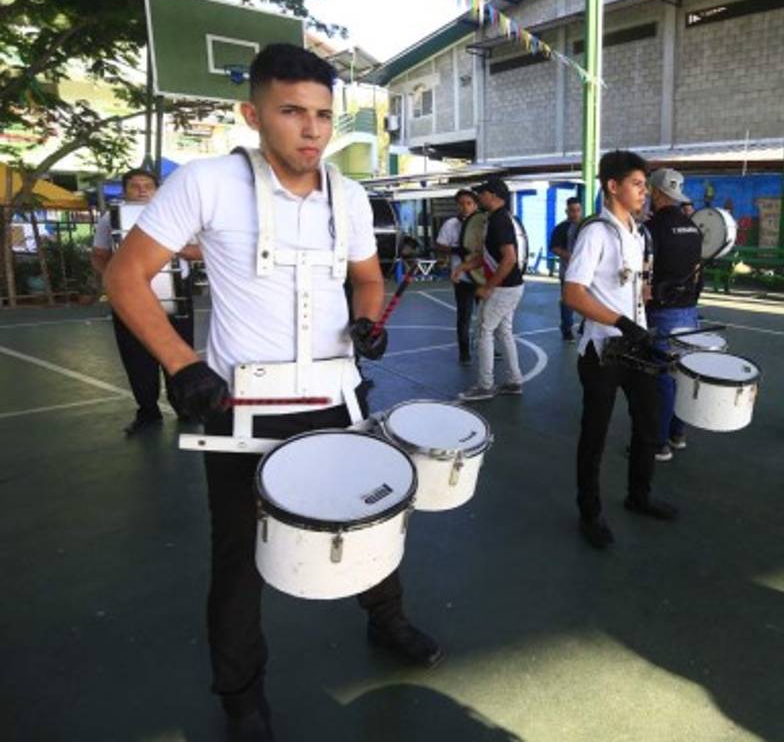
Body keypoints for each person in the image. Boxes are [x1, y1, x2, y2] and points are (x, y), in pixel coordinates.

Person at [103, 44, 441, 741]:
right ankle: (242, 694)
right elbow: (124, 277)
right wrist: (181, 364)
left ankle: (388, 621)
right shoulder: (205, 183)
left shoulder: (347, 196)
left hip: (335, 398)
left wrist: (369, 321)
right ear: (253, 114)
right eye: (292, 112)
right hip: (240, 411)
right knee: (240, 557)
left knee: (370, 520)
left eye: (322, 114)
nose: (312, 129)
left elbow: (368, 280)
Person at [563, 150, 677, 550]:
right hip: (603, 350)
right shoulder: (596, 231)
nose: (645, 192)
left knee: (648, 424)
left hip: (638, 342)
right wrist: (620, 320)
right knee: (595, 433)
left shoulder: (638, 232)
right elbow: (573, 293)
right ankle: (589, 512)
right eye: (637, 184)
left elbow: (629, 286)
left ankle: (639, 496)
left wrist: (650, 296)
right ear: (612, 186)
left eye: (645, 186)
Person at [91, 168, 202, 435]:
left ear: (157, 189)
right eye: (134, 186)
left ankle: (184, 408)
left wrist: (175, 248)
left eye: (147, 185)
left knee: (179, 351)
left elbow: (202, 251)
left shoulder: (179, 215)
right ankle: (148, 413)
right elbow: (99, 253)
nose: (141, 190)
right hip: (130, 298)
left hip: (177, 294)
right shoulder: (111, 218)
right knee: (136, 356)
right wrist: (115, 281)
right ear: (125, 190)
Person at [644, 167, 703, 462]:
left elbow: (644, 272)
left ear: (655, 192)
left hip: (662, 310)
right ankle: (677, 434)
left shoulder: (652, 229)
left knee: (661, 378)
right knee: (681, 373)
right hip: (689, 310)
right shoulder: (692, 227)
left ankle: (658, 442)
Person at [458, 178, 525, 400]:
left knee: (484, 331)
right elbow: (488, 257)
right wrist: (464, 266)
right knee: (503, 331)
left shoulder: (499, 222)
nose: (480, 197)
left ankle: (485, 386)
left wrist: (488, 286)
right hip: (511, 286)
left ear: (494, 196)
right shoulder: (494, 219)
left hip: (504, 288)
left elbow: (509, 259)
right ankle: (514, 381)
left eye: (483, 193)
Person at [436, 189, 479, 364]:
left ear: (475, 205)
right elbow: (439, 245)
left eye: (469, 203)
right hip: (462, 278)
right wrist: (455, 250)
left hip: (482, 277)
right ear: (457, 205)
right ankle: (464, 352)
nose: (465, 207)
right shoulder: (450, 224)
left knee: (487, 317)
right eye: (461, 203)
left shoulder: (483, 223)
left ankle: (489, 348)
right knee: (464, 316)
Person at [549, 196, 584, 341]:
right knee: (567, 302)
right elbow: (553, 248)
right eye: (572, 211)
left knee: (590, 299)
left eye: (577, 210)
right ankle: (567, 329)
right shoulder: (561, 228)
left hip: (586, 272)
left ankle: (585, 326)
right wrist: (569, 256)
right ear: (566, 211)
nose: (575, 213)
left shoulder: (587, 225)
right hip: (568, 272)